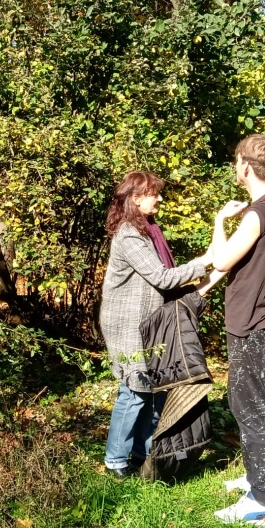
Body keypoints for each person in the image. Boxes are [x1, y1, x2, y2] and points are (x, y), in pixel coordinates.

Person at [99, 171, 219, 477]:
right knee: (134, 390)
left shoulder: (147, 230)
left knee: (152, 387)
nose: (160, 198)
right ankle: (116, 461)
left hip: (149, 320)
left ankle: (141, 452)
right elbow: (161, 277)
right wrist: (205, 260)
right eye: (155, 194)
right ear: (136, 198)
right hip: (127, 322)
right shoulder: (129, 235)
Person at [210, 134, 265, 526]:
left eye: (235, 162)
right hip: (263, 318)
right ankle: (254, 475)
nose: (235, 168)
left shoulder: (258, 213)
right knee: (245, 401)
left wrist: (219, 221)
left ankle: (261, 500)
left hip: (252, 321)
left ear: (245, 166)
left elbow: (223, 260)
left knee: (251, 406)